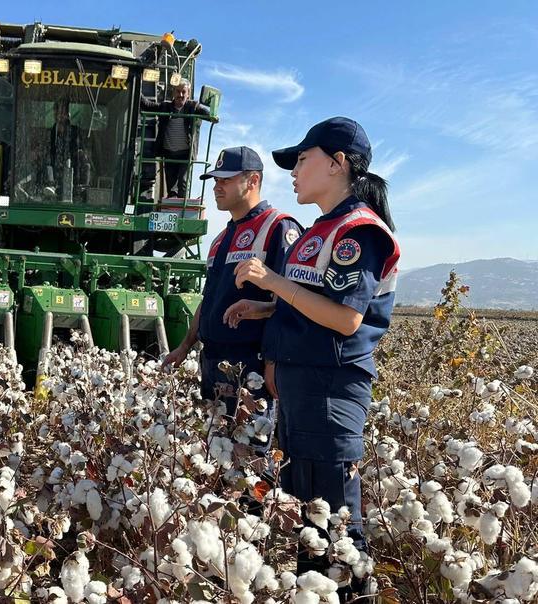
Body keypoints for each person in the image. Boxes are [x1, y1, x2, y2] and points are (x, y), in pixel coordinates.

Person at [227, 117, 400, 585]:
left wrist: (272, 281)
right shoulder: (323, 229)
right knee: (312, 525)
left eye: (302, 160)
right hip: (307, 392)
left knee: (338, 525)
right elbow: (312, 306)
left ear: (337, 163)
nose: (294, 171)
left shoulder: (358, 231)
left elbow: (346, 319)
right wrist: (264, 307)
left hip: (331, 390)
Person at [163, 146, 301, 420]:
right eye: (216, 180)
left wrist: (273, 361)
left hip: (251, 365)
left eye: (226, 179)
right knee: (215, 451)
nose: (217, 187)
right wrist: (185, 345)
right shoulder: (219, 239)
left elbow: (293, 302)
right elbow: (209, 299)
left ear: (253, 181)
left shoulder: (278, 228)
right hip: (212, 361)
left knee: (250, 454)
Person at [141, 79, 214, 198]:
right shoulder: (165, 107)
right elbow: (147, 105)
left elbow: (205, 113)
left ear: (188, 94)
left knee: (183, 182)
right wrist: (135, 82)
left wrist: (212, 115)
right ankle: (171, 207)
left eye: (183, 92)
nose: (180, 95)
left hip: (185, 153)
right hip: (169, 153)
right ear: (173, 93)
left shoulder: (193, 107)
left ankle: (181, 208)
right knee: (171, 185)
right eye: (178, 91)